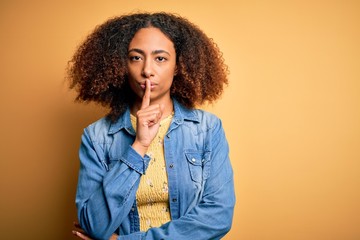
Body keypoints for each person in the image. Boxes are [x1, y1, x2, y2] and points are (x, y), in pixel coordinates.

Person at [67, 12, 235, 240]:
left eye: (160, 58)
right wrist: (139, 145)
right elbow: (95, 224)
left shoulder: (206, 129)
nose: (147, 70)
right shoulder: (98, 137)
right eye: (136, 57)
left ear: (178, 66)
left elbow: (218, 216)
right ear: (120, 64)